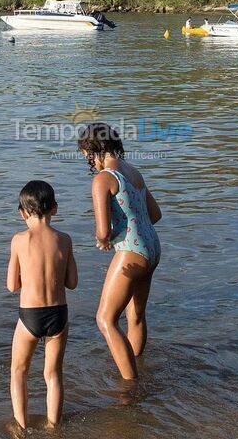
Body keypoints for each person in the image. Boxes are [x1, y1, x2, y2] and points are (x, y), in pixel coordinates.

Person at [77, 122, 162, 381]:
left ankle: (130, 386)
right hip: (152, 248)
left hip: (131, 252)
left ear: (94, 150)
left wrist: (105, 240)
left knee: (105, 319)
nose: (88, 162)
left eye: (86, 156)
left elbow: (102, 232)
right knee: (135, 316)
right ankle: (137, 367)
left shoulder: (103, 179)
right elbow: (155, 215)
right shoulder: (133, 172)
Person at [7, 180, 78, 429]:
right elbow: (72, 282)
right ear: (55, 209)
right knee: (53, 374)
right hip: (59, 314)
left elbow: (11, 285)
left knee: (19, 372)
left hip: (30, 316)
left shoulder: (19, 240)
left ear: (22, 213)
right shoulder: (65, 240)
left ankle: (21, 428)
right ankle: (53, 428)